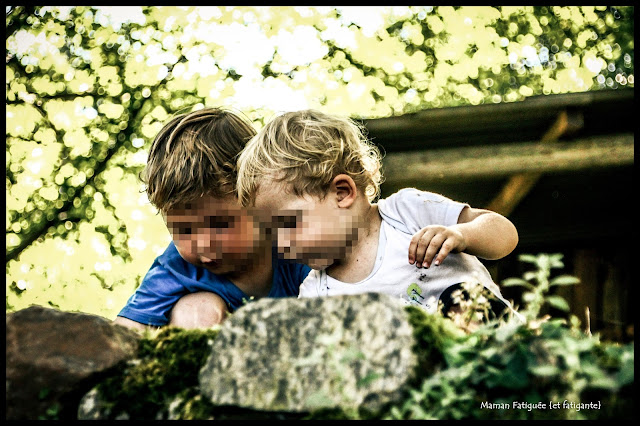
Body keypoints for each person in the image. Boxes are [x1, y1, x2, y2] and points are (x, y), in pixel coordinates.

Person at [236, 109, 520, 323]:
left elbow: (504, 234)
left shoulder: (406, 212)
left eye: (287, 225)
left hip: (497, 355)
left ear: (343, 192)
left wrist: (461, 234)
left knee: (460, 299)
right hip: (429, 392)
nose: (281, 246)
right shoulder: (315, 293)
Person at [113, 107, 311, 331]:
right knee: (196, 309)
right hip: (220, 357)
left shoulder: (292, 243)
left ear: (258, 199)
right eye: (185, 231)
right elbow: (126, 331)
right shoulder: (177, 268)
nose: (204, 246)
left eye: (220, 224)